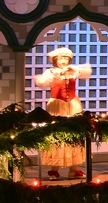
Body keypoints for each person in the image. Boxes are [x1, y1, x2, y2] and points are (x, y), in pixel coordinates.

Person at [33, 46, 92, 179]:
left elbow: (86, 72)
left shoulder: (73, 70)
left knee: (74, 135)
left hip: (72, 104)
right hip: (57, 105)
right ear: (55, 60)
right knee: (58, 136)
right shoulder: (51, 72)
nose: (63, 61)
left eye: (66, 58)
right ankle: (55, 169)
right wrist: (57, 75)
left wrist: (74, 69)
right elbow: (41, 82)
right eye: (60, 58)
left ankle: (73, 169)